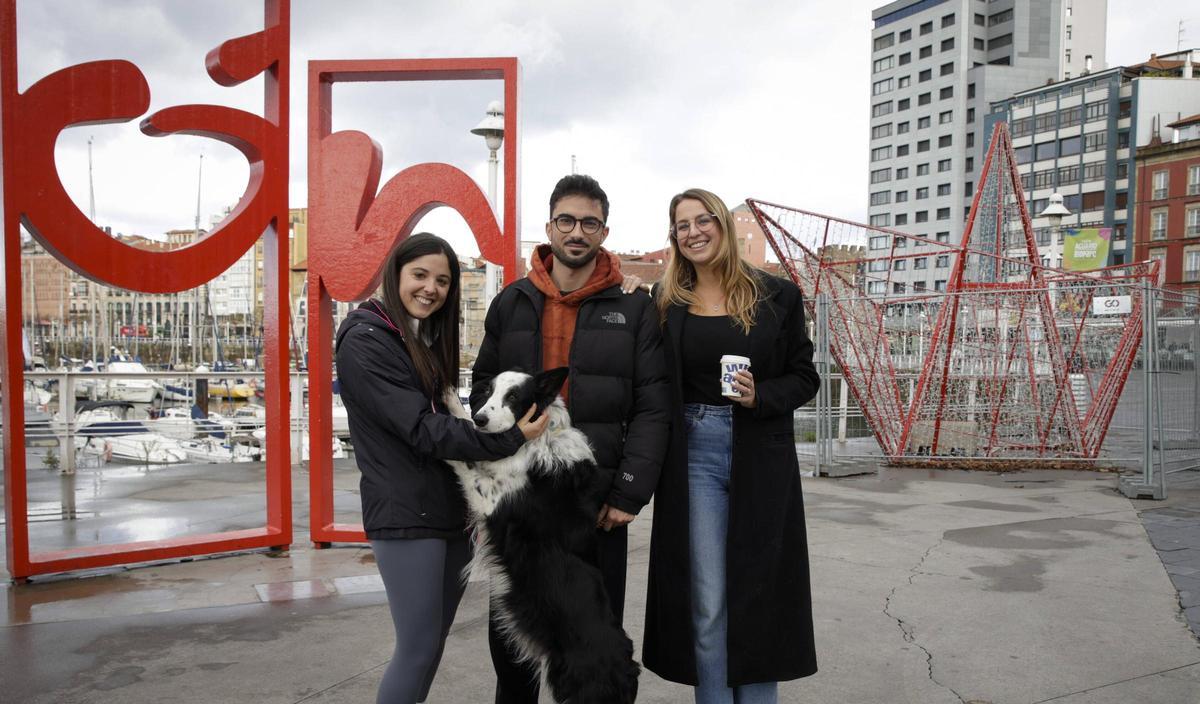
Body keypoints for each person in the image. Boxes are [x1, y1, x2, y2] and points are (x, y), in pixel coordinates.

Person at [471, 173, 671, 704]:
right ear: (549, 227)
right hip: (521, 504)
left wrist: (628, 493)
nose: (577, 231)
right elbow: (481, 390)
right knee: (513, 651)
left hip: (595, 502)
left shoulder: (633, 308)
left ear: (604, 231)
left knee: (592, 650)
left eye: (589, 222)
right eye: (567, 220)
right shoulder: (511, 302)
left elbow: (654, 405)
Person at [335, 232, 550, 704]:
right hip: (408, 515)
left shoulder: (415, 338)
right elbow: (422, 429)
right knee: (415, 650)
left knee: (430, 647)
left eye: (443, 280)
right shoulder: (366, 340)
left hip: (444, 514)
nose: (431, 287)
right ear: (395, 275)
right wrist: (512, 438)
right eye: (419, 275)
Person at [643, 188, 820, 703]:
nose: (693, 232)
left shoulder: (777, 295)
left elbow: (805, 377)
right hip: (692, 453)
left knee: (759, 596)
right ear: (674, 237)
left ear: (722, 226)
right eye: (682, 225)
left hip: (759, 453)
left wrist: (761, 394)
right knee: (708, 601)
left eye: (703, 221)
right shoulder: (665, 302)